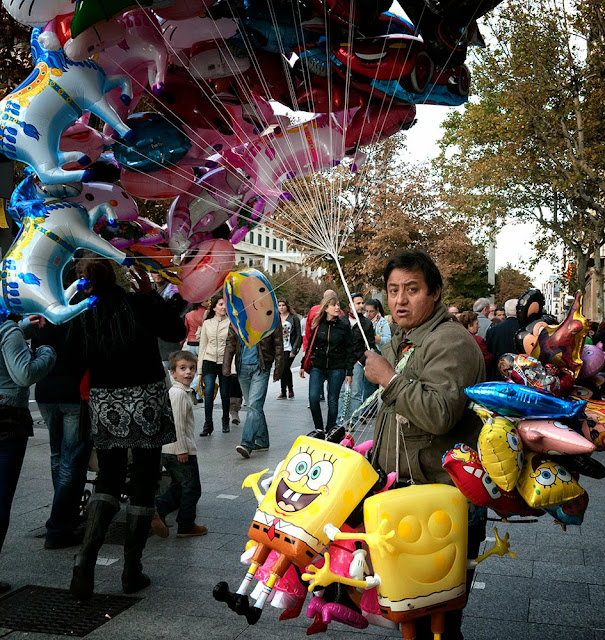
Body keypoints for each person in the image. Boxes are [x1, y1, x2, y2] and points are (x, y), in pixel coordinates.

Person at [364, 249, 485, 640]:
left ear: (434, 293)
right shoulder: (405, 340)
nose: (400, 300)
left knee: (438, 618)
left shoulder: (450, 341)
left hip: (441, 501)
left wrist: (389, 379)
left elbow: (440, 415)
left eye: (412, 289)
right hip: (406, 496)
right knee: (411, 614)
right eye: (393, 289)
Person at [68, 260, 185, 601]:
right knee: (145, 478)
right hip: (146, 396)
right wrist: (151, 296)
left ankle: (84, 563)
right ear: (117, 276)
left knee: (109, 476)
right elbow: (175, 333)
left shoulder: (81, 310)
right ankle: (131, 570)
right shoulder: (136, 303)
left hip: (105, 401)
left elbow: (72, 357)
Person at [0, 313, 55, 594]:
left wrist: (20, 329)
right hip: (6, 417)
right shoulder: (7, 329)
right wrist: (46, 351)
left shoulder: (10, 329)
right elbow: (24, 375)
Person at [33, 319, 92, 550]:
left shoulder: (43, 314)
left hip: (46, 392)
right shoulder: (81, 315)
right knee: (72, 461)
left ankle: (64, 518)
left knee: (57, 457)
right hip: (73, 393)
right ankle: (59, 526)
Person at [153, 351, 207, 539]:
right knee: (192, 488)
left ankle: (158, 511)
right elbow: (177, 424)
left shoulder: (181, 392)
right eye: (182, 368)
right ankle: (186, 525)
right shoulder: (177, 394)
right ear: (172, 372)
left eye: (192, 368)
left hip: (172, 449)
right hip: (179, 450)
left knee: (179, 486)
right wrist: (182, 449)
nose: (188, 373)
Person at [224, 323, 284, 459]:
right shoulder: (238, 313)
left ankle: (246, 443)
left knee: (254, 406)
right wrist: (226, 366)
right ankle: (262, 441)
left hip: (261, 366)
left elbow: (278, 343)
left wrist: (278, 369)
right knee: (254, 406)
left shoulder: (269, 313)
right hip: (242, 367)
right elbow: (231, 342)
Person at [300, 295, 353, 438]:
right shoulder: (318, 324)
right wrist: (303, 363)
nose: (337, 308)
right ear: (326, 308)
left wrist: (349, 371)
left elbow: (349, 349)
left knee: (332, 400)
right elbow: (311, 344)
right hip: (318, 365)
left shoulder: (344, 325)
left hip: (337, 367)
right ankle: (319, 429)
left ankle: (330, 430)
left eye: (338, 305)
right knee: (313, 398)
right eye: (333, 305)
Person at [336, 293, 374, 425]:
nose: (361, 306)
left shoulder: (366, 323)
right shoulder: (341, 320)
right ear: (350, 305)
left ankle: (353, 419)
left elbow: (370, 345)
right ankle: (340, 419)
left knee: (356, 392)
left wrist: (360, 361)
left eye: (362, 303)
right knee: (341, 391)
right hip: (342, 362)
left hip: (357, 362)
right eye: (358, 303)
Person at [196, 296, 231, 435]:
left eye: (225, 305)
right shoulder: (207, 323)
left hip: (225, 361)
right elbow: (202, 346)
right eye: (220, 304)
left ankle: (225, 420)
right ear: (215, 307)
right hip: (208, 361)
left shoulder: (231, 323)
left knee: (224, 394)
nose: (223, 307)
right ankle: (208, 424)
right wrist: (200, 369)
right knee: (208, 392)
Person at [151, 272, 187, 370]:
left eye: (159, 271)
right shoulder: (149, 290)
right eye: (154, 271)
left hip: (168, 347)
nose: (157, 274)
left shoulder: (174, 290)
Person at [363, 298, 392, 401]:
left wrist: (374, 338)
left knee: (371, 383)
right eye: (366, 311)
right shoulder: (363, 321)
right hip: (363, 354)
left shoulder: (382, 323)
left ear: (377, 310)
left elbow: (388, 339)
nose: (368, 314)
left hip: (377, 354)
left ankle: (370, 409)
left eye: (371, 311)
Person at [485, 299, 519, 381]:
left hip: (498, 374)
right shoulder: (525, 329)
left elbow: (489, 352)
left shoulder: (493, 331)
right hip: (520, 375)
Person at [277, 299, 301, 399]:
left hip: (289, 347)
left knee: (286, 367)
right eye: (279, 305)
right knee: (282, 369)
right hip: (279, 348)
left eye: (283, 305)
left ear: (287, 306)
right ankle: (283, 391)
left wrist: (294, 350)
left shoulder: (293, 318)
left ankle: (290, 390)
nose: (281, 307)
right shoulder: (276, 318)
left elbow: (298, 335)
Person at [183, 302, 207, 398]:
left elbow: (186, 331)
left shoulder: (188, 315)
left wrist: (181, 345)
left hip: (190, 344)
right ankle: (194, 390)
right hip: (202, 344)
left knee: (194, 370)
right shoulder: (207, 314)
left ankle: (197, 394)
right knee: (203, 370)